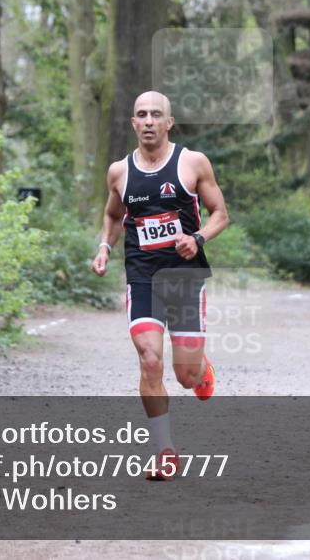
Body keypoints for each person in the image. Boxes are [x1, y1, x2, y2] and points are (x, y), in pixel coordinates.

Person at [91, 90, 229, 480]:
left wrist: (198, 238)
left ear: (169, 123)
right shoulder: (119, 172)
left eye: (156, 114)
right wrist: (104, 247)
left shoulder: (192, 163)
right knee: (150, 358)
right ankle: (165, 451)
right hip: (143, 276)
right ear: (133, 124)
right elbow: (113, 215)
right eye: (141, 115)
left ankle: (201, 370)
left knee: (186, 377)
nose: (148, 120)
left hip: (185, 278)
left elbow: (221, 213)